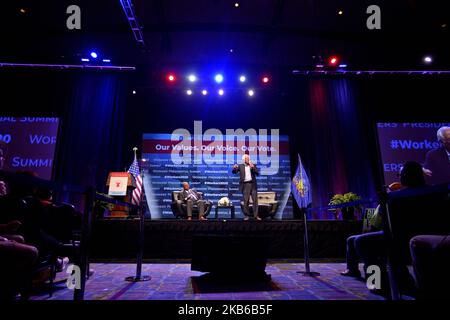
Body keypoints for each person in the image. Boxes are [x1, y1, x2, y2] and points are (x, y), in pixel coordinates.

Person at [341, 161, 427, 295]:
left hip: (401, 238)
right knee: (354, 239)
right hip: (421, 238)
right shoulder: (433, 191)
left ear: (407, 176)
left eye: (401, 174)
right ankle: (399, 278)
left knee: (362, 242)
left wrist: (385, 201)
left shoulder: (397, 197)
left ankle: (376, 281)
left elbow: (378, 222)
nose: (400, 177)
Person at [232, 154, 260, 221]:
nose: (248, 159)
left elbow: (257, 173)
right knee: (246, 201)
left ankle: (256, 216)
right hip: (245, 185)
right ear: (244, 160)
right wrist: (234, 168)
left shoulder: (252, 165)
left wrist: (253, 167)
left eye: (248, 158)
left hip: (253, 184)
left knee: (255, 201)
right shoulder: (240, 166)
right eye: (246, 158)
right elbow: (234, 172)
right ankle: (246, 215)